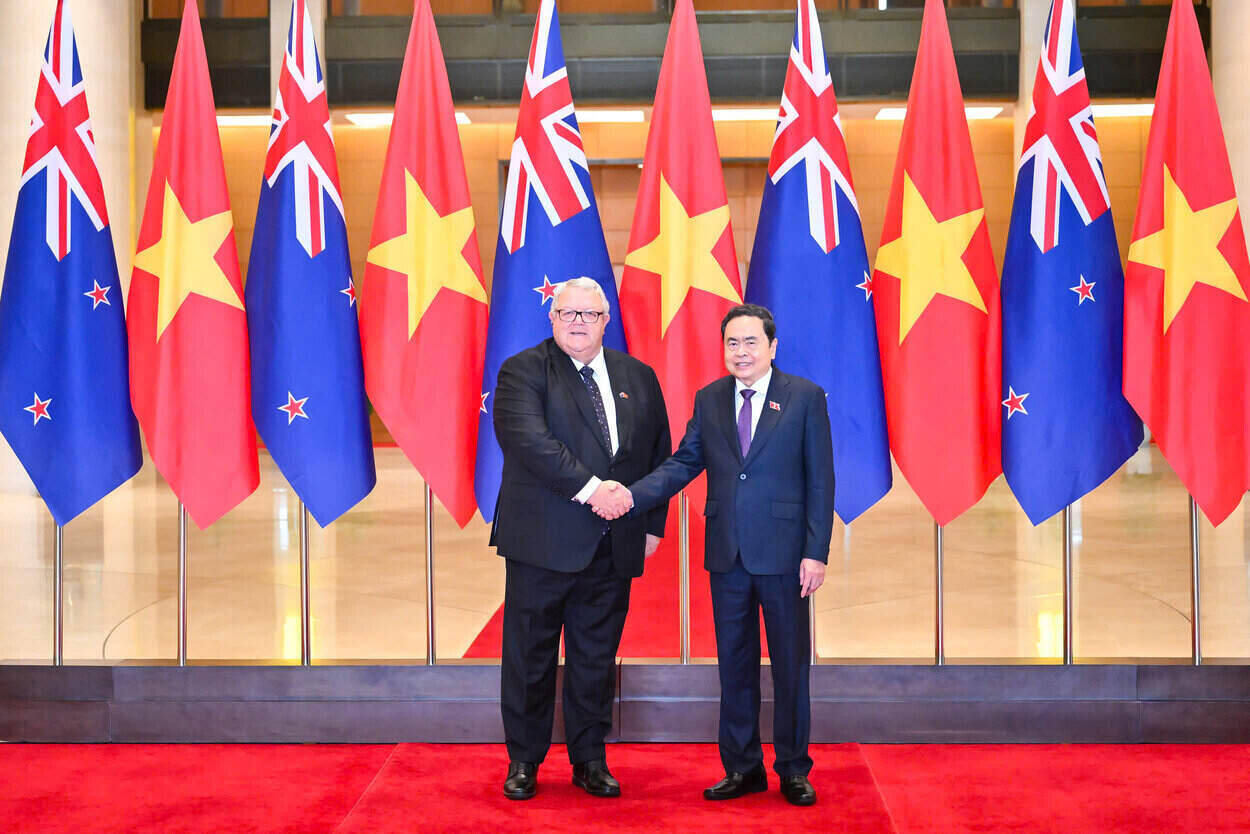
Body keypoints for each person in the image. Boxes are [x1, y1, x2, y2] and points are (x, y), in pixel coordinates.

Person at [604, 303, 833, 806]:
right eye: (732, 343)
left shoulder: (804, 398)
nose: (741, 352)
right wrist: (632, 495)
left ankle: (794, 767)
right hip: (727, 554)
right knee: (734, 663)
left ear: (773, 347)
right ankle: (743, 767)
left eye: (751, 342)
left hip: (785, 556)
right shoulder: (710, 399)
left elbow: (820, 480)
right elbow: (685, 462)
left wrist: (815, 553)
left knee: (791, 665)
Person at [489, 277, 671, 800]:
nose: (577, 322)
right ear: (552, 318)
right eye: (567, 313)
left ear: (604, 320)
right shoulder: (523, 370)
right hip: (541, 542)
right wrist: (596, 491)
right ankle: (524, 760)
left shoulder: (637, 375)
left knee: (596, 656)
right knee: (530, 655)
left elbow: (657, 452)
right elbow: (530, 442)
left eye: (588, 315)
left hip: (613, 544)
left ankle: (590, 757)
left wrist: (651, 523)